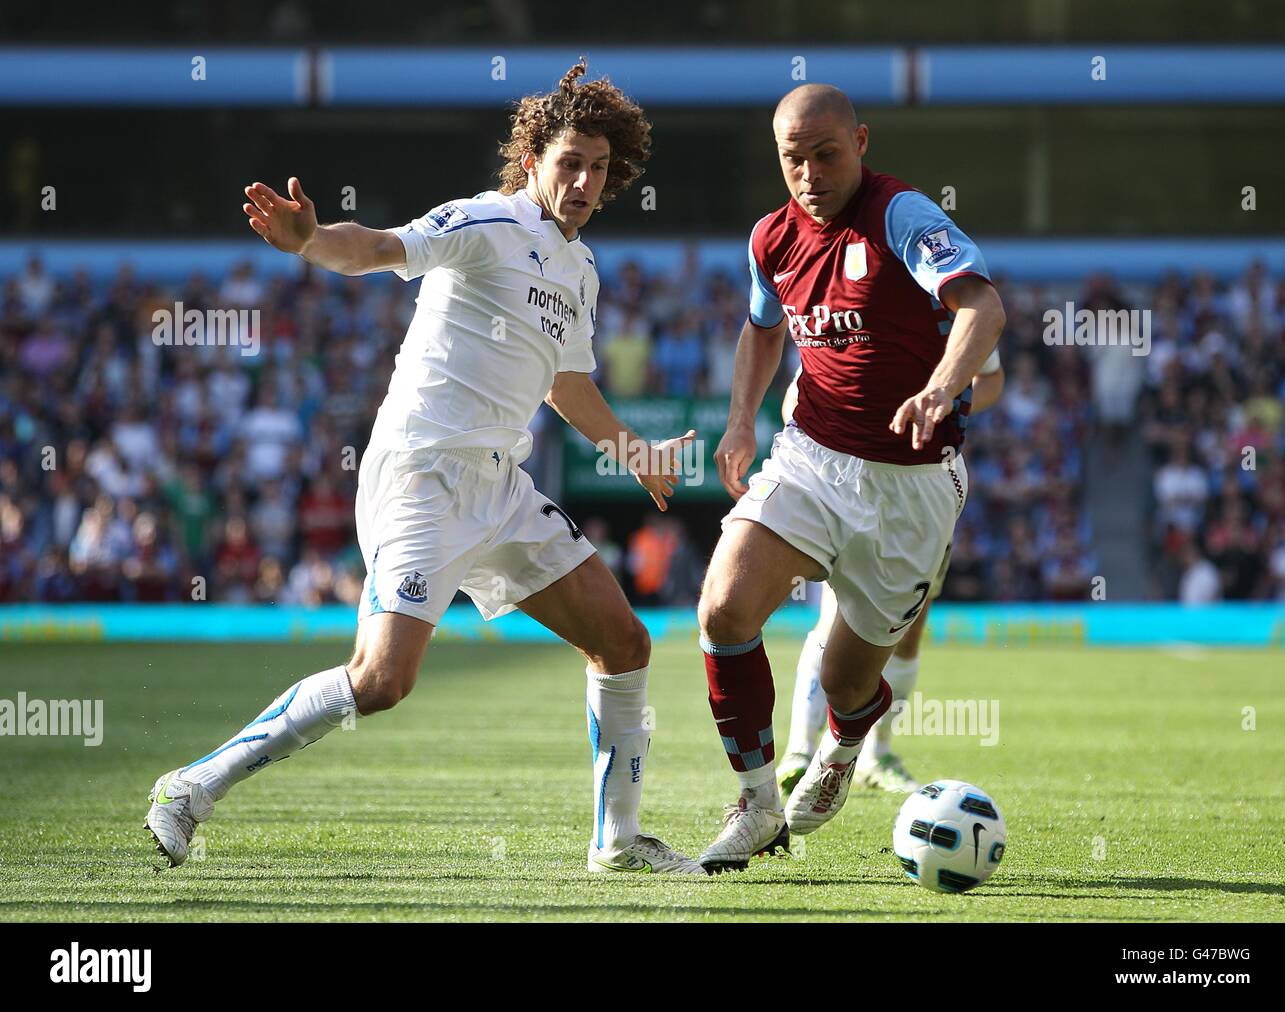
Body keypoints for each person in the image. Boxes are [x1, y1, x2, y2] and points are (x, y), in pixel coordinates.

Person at [143, 62, 705, 875]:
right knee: (381, 681)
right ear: (534, 158)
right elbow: (377, 247)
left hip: (500, 487)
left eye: (600, 167)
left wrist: (632, 448)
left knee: (623, 642)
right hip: (421, 477)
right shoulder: (485, 223)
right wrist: (309, 240)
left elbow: (565, 381)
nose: (584, 181)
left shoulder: (580, 270)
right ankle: (190, 787)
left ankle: (615, 843)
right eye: (570, 161)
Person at [696, 83, 1005, 872]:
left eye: (825, 153)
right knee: (725, 608)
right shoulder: (771, 238)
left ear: (861, 143)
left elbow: (984, 307)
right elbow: (762, 330)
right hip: (810, 456)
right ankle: (758, 805)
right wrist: (740, 421)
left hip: (912, 485)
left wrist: (941, 385)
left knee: (845, 677)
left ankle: (843, 748)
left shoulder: (901, 214)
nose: (808, 172)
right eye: (791, 158)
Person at [774, 351, 1003, 801]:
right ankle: (800, 750)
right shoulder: (847, 305)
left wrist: (947, 404)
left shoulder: (957, 297)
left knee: (909, 630)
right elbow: (794, 396)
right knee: (835, 614)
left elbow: (990, 378)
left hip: (926, 486)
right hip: (848, 482)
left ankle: (876, 754)